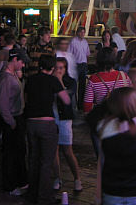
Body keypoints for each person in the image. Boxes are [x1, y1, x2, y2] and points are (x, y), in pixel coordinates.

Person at [24, 55, 70, 205]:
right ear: (52, 68)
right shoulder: (52, 80)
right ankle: (44, 196)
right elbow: (66, 100)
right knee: (45, 161)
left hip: (30, 122)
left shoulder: (30, 79)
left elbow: (25, 98)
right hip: (46, 123)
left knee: (32, 159)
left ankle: (32, 193)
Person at [0, 48, 30, 195]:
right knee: (11, 153)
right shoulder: (7, 79)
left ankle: (21, 181)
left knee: (18, 151)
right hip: (12, 118)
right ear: (15, 60)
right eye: (22, 62)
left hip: (16, 117)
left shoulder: (11, 76)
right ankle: (11, 184)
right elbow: (2, 104)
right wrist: (11, 121)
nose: (23, 65)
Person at [51, 57, 82, 192]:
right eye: (56, 68)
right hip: (51, 117)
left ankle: (77, 179)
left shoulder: (70, 82)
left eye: (61, 68)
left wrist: (58, 81)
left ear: (65, 69)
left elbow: (66, 97)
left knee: (68, 150)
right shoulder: (49, 81)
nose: (58, 71)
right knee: (53, 150)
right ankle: (57, 178)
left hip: (64, 118)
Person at [68, 26, 90, 110]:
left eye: (83, 32)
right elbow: (69, 54)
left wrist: (86, 64)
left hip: (83, 64)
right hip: (76, 65)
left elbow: (87, 54)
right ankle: (74, 104)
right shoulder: (73, 42)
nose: (82, 34)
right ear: (77, 32)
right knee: (74, 85)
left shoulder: (85, 42)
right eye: (81, 32)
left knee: (82, 85)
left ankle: (81, 105)